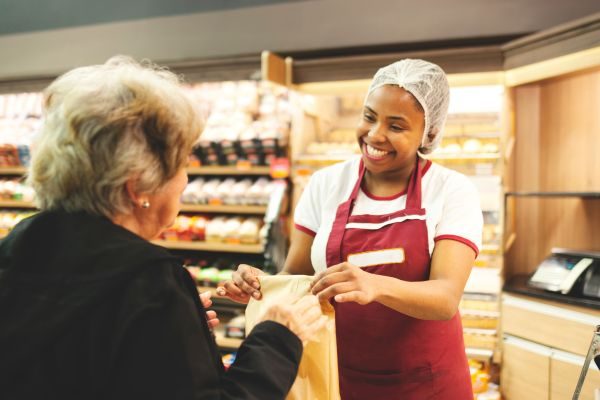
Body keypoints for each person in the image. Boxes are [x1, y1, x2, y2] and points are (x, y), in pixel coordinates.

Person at [0, 56, 326, 400]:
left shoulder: (19, 243)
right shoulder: (147, 280)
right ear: (137, 185)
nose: (185, 181)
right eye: (182, 164)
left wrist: (176, 331)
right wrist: (276, 338)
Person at [221, 59, 483, 399]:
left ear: (429, 133)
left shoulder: (450, 190)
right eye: (369, 116)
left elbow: (445, 297)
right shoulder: (326, 184)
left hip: (425, 382)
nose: (375, 135)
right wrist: (262, 285)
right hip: (336, 375)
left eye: (397, 126)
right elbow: (296, 278)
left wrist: (374, 284)